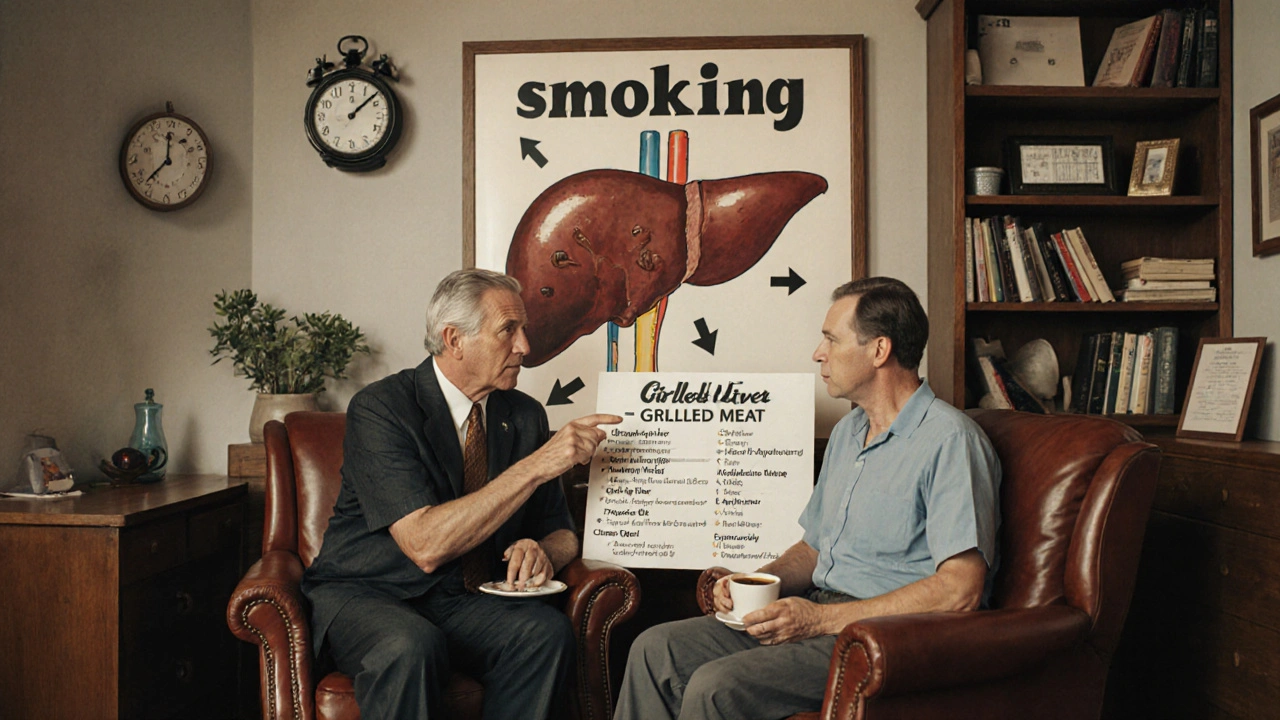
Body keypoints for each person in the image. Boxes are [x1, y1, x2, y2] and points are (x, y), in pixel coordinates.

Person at [614, 277, 1001, 720]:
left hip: (882, 639)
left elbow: (961, 589)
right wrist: (752, 584)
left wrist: (819, 621)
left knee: (715, 686)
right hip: (820, 613)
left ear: (879, 350)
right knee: (654, 648)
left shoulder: (951, 441)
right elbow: (814, 548)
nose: (819, 353)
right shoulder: (848, 432)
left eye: (831, 339)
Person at [302, 268, 621, 720]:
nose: (524, 346)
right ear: (454, 340)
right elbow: (424, 545)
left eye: (523, 328)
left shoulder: (524, 415)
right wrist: (536, 466)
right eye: (508, 330)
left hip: (464, 599)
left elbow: (562, 531)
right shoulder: (381, 409)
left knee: (545, 634)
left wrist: (543, 551)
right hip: (370, 594)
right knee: (411, 646)